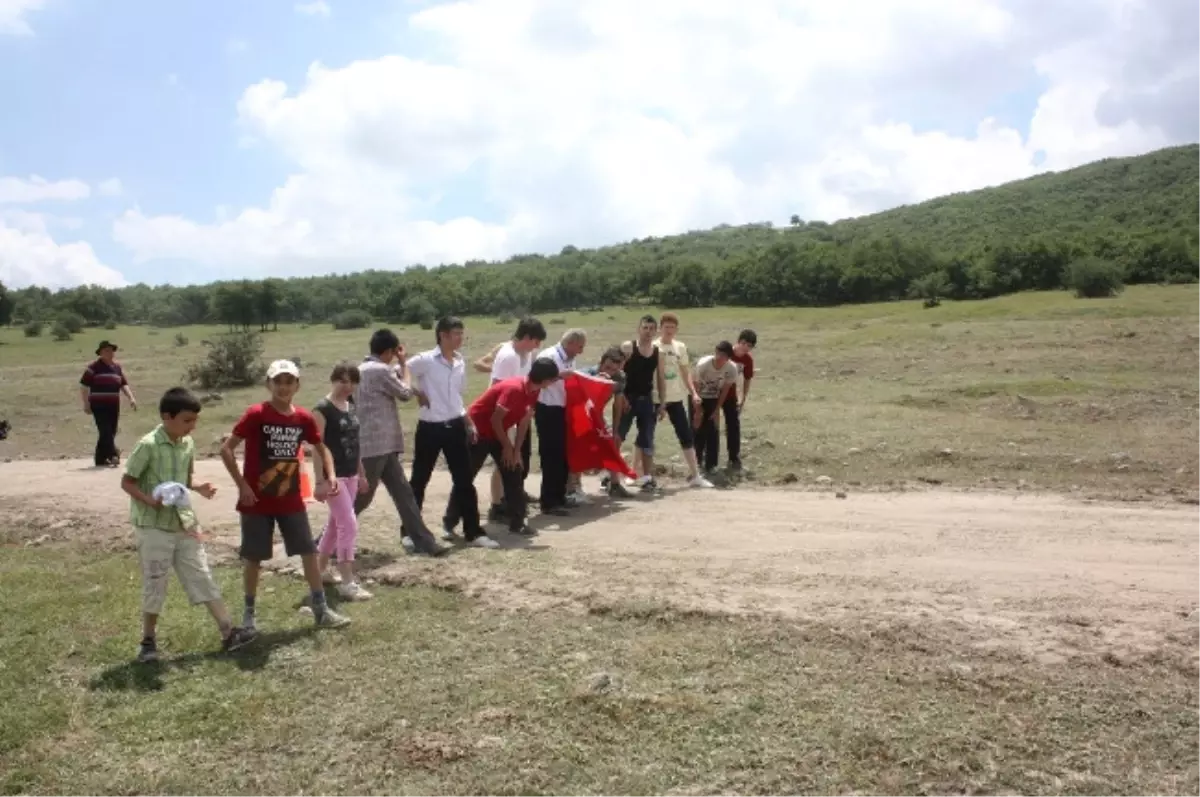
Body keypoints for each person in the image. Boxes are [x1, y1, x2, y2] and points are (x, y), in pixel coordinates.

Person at [122, 388, 253, 663]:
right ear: (166, 417)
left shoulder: (187, 444)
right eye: (186, 420)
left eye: (194, 420)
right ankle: (148, 641)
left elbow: (184, 478)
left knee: (201, 574)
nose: (192, 426)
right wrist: (149, 500)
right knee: (155, 581)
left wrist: (200, 487)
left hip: (184, 524)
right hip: (153, 526)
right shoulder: (147, 445)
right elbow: (127, 482)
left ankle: (228, 632)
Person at [219, 360, 352, 632]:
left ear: (297, 385)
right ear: (268, 384)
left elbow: (321, 447)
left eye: (289, 381)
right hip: (256, 501)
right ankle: (249, 617)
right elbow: (227, 449)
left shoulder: (302, 417)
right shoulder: (256, 413)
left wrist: (331, 474)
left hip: (290, 500)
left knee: (307, 551)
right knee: (254, 558)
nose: (283, 387)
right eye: (277, 381)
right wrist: (242, 485)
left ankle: (321, 610)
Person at [444, 356, 561, 540]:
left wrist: (516, 451)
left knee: (513, 470)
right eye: (553, 379)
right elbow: (495, 419)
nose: (554, 382)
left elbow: (524, 422)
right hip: (477, 431)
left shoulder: (535, 390)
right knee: (466, 477)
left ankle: (518, 523)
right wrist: (507, 446)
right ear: (545, 379)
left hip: (497, 432)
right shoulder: (514, 389)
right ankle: (449, 524)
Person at [353, 329, 444, 556]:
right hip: (377, 446)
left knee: (404, 494)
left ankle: (424, 541)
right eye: (394, 353)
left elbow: (393, 380)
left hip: (377, 446)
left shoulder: (360, 370)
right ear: (388, 352)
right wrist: (404, 364)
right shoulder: (380, 370)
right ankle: (326, 540)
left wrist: (402, 371)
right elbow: (403, 392)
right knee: (361, 500)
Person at [406, 317, 489, 546]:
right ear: (442, 335)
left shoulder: (460, 362)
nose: (460, 338)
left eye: (462, 334)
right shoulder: (425, 360)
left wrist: (469, 422)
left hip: (455, 425)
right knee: (419, 480)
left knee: (464, 480)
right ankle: (410, 532)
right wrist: (416, 391)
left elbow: (457, 398)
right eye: (455, 334)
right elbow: (397, 372)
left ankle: (473, 532)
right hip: (430, 428)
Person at [312, 362, 372, 601]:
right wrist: (320, 481)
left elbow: (355, 443)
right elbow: (317, 448)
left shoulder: (351, 406)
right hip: (333, 477)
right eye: (343, 381)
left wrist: (362, 473)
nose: (348, 386)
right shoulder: (322, 409)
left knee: (336, 525)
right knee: (349, 524)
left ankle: (319, 571)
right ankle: (347, 580)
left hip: (351, 475)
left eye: (353, 381)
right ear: (333, 379)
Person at [482, 318, 547, 521]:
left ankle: (514, 495)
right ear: (526, 338)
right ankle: (497, 504)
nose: (537, 347)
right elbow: (497, 389)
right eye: (536, 341)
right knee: (505, 461)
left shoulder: (526, 354)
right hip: (503, 415)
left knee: (520, 458)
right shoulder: (508, 356)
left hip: (519, 412)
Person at [653, 312, 714, 489]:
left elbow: (685, 372)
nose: (669, 330)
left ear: (677, 329)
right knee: (646, 435)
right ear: (660, 328)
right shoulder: (654, 346)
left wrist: (693, 393)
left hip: (676, 398)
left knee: (686, 436)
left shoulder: (680, 347)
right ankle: (636, 474)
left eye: (672, 327)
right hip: (655, 398)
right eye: (666, 327)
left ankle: (696, 475)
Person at [535, 328, 587, 515]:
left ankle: (560, 496)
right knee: (551, 456)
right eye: (579, 347)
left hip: (564, 409)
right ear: (571, 343)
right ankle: (548, 501)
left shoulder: (570, 358)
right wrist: (559, 376)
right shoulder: (549, 356)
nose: (580, 351)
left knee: (564, 455)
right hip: (548, 409)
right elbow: (537, 380)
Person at [617, 316, 667, 492]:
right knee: (618, 436)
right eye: (645, 328)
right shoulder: (628, 348)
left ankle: (646, 477)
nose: (648, 332)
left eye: (652, 329)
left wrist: (662, 403)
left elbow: (661, 378)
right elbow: (617, 373)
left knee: (647, 438)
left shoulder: (658, 353)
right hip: (627, 398)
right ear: (639, 329)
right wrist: (620, 396)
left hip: (646, 399)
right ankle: (612, 475)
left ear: (656, 331)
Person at [584, 346, 633, 498]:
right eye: (607, 367)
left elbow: (617, 404)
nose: (610, 372)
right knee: (578, 448)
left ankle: (615, 484)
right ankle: (572, 487)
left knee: (612, 444)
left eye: (614, 369)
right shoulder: (587, 374)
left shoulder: (619, 377)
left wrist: (616, 431)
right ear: (601, 362)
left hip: (598, 414)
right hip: (581, 413)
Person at [80, 340, 138, 467]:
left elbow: (123, 384)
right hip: (98, 405)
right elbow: (84, 386)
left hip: (113, 404)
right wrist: (86, 403)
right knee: (105, 429)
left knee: (111, 431)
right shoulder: (93, 367)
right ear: (100, 353)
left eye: (111, 350)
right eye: (106, 350)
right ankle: (113, 455)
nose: (110, 353)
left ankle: (100, 459)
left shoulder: (117, 367)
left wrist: (131, 398)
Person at [691, 341, 740, 474]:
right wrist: (698, 410)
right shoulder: (703, 365)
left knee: (712, 430)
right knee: (698, 429)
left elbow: (725, 390)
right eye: (718, 353)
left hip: (713, 397)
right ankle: (696, 463)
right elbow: (695, 385)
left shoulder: (731, 369)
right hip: (698, 396)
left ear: (728, 358)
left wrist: (717, 409)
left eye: (723, 355)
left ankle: (711, 464)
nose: (719, 357)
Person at [723, 329, 758, 471]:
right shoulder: (726, 353)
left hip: (731, 394)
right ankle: (706, 456)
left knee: (733, 425)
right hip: (714, 392)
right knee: (710, 424)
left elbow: (747, 379)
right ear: (738, 341)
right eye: (743, 343)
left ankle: (734, 457)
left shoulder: (747, 360)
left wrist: (743, 398)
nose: (745, 347)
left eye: (749, 346)